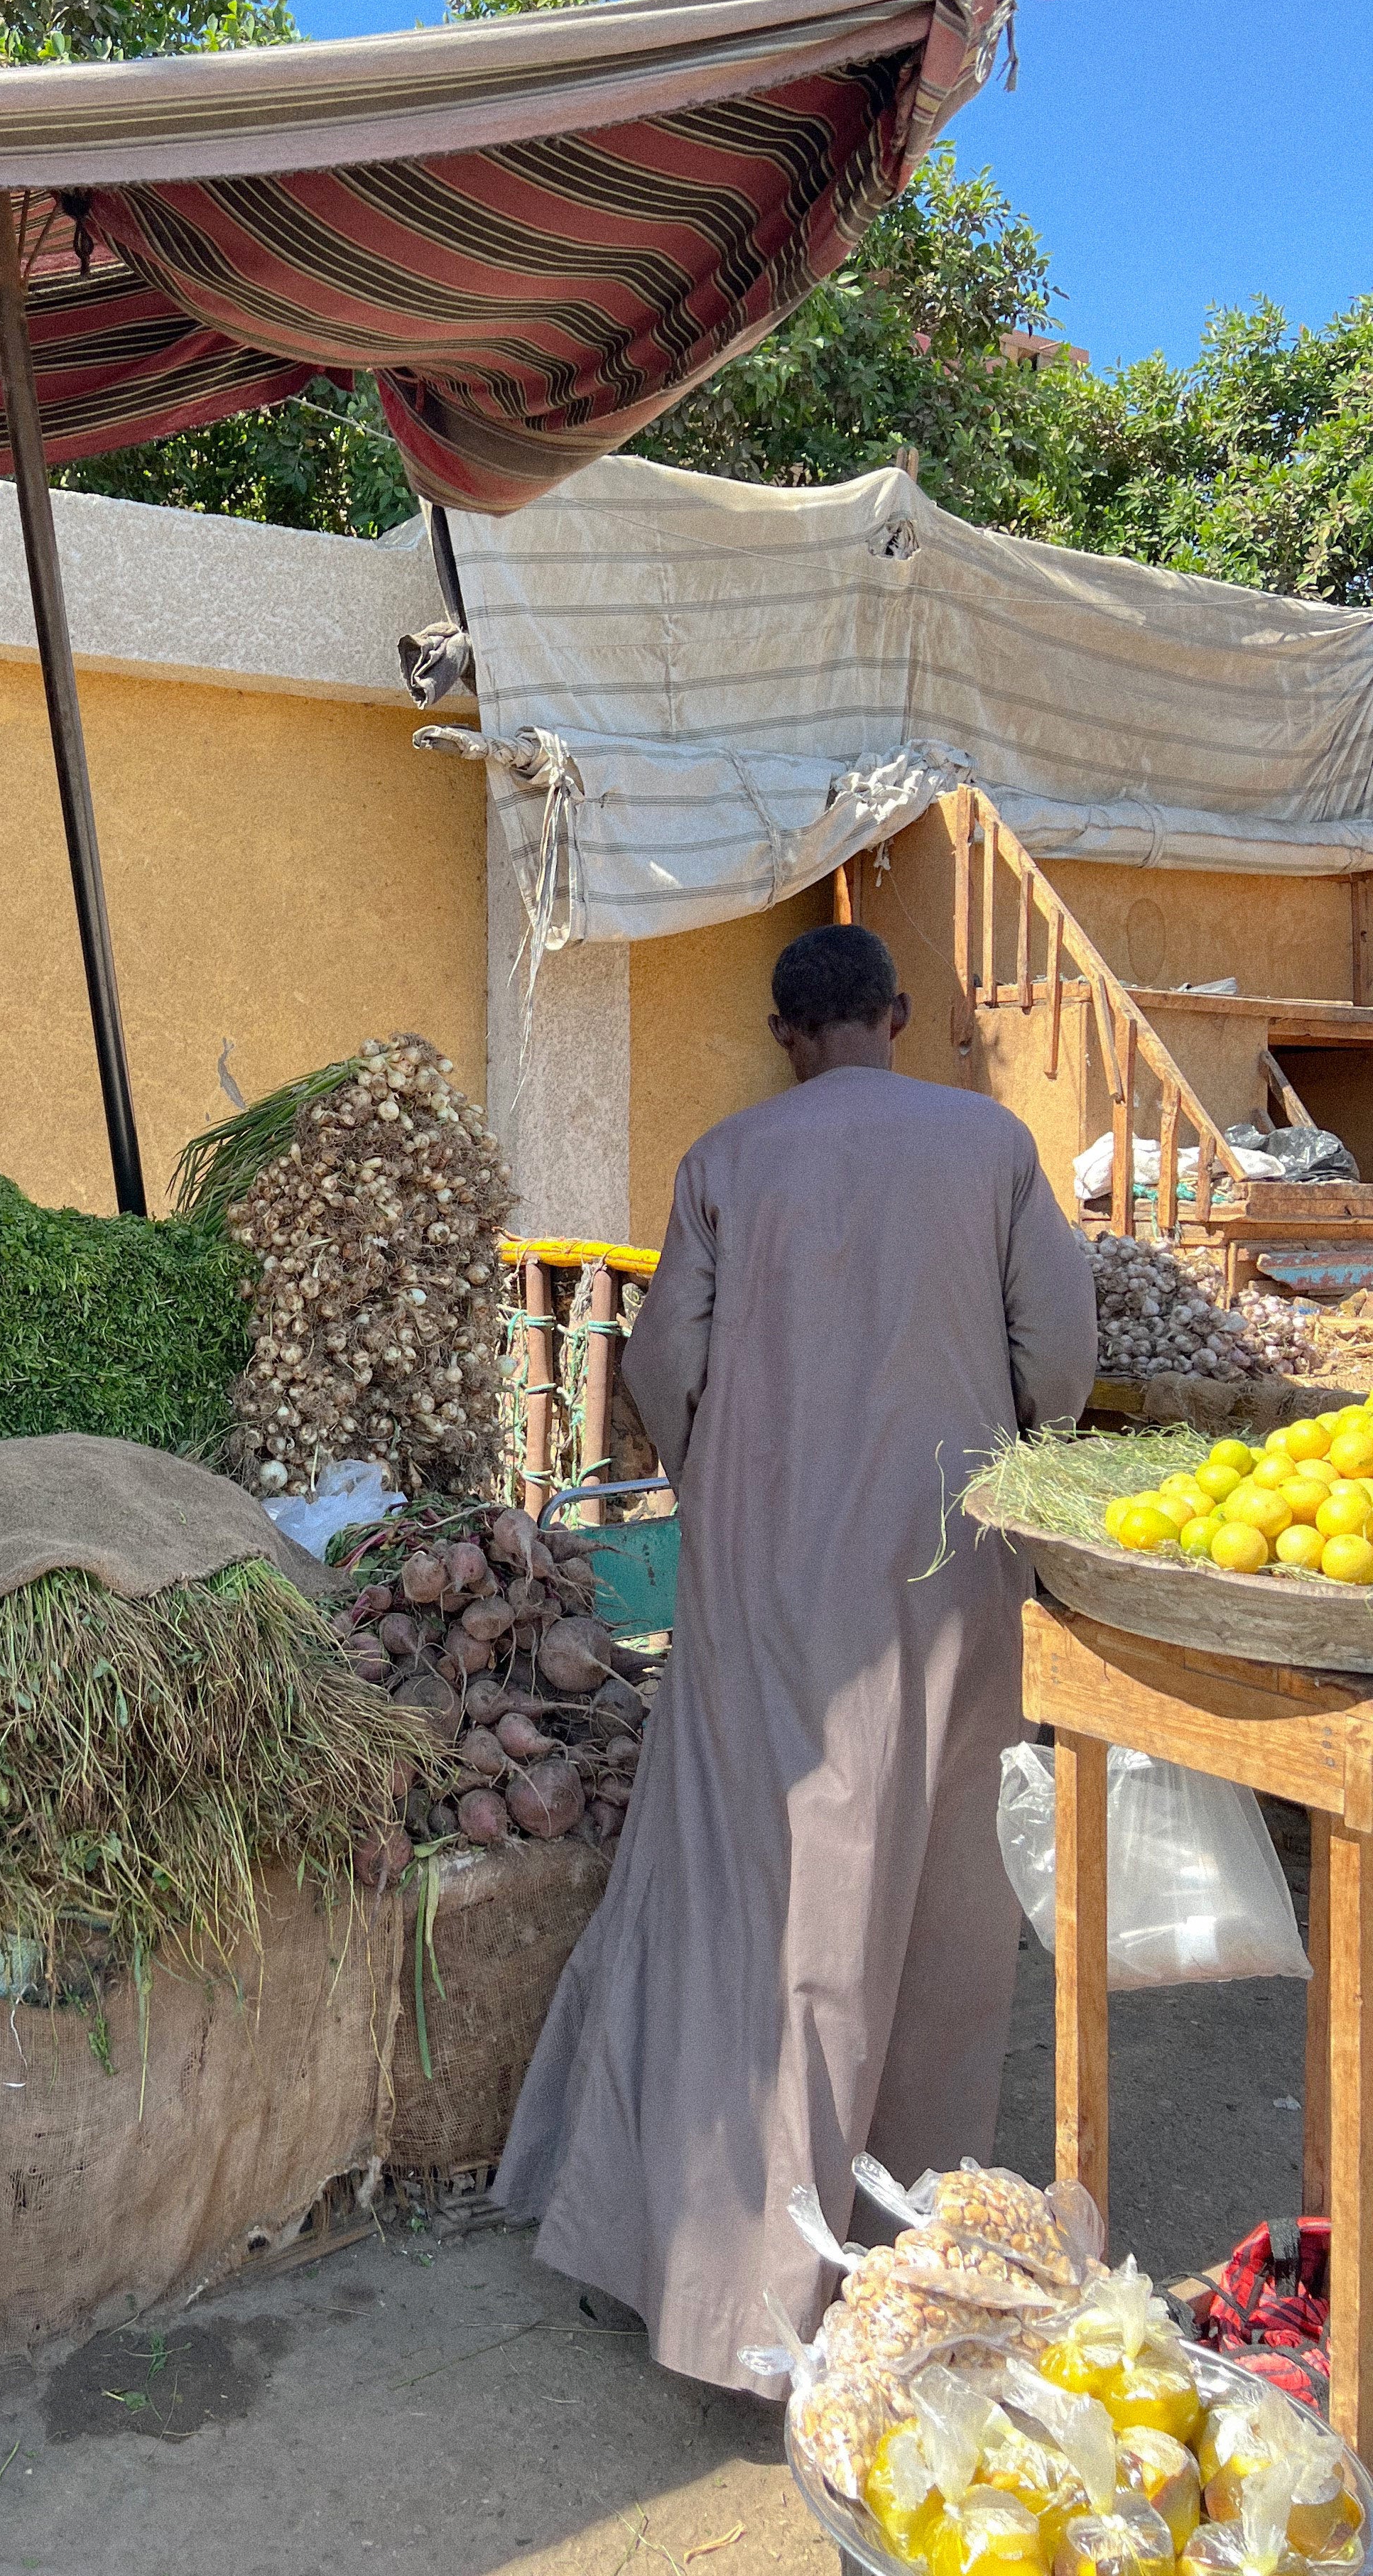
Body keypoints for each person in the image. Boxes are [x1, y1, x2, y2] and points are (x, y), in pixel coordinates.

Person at [492, 923, 1097, 2389]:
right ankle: (923, 2270)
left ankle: (734, 2290)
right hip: (954, 1571)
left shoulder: (726, 1161)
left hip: (767, 1590)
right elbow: (1061, 1358)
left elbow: (661, 1373)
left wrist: (732, 1481)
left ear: (785, 1032)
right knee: (946, 1906)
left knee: (760, 1902)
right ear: (896, 1015)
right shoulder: (993, 1145)